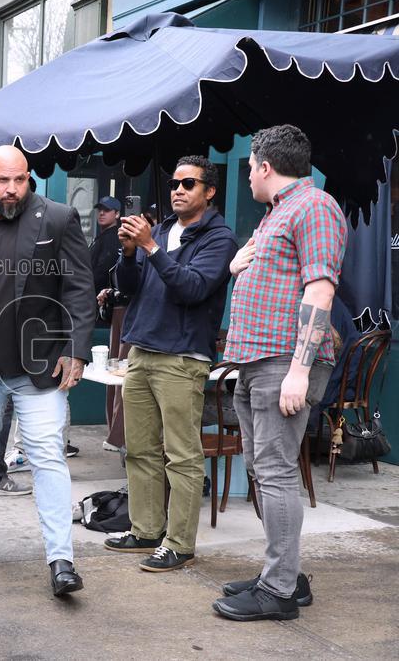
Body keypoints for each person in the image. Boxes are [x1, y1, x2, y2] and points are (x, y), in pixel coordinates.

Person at [213, 124, 346, 622]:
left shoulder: (314, 207)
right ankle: (285, 572)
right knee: (261, 472)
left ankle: (279, 591)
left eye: (249, 165)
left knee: (275, 473)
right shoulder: (277, 214)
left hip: (281, 364)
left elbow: (320, 292)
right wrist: (234, 268)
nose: (246, 174)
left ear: (265, 166)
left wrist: (298, 371)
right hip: (255, 363)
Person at [0, 145, 95, 597]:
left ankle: (61, 559)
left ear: (28, 176)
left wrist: (76, 349)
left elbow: (78, 286)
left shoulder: (56, 218)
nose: (12, 189)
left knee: (47, 454)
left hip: (40, 364)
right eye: (2, 181)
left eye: (20, 180)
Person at [102, 156, 238, 572]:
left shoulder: (219, 239)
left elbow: (193, 289)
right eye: (175, 183)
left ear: (209, 192)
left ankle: (179, 542)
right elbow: (127, 290)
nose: (178, 189)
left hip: (183, 358)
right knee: (139, 449)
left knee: (181, 456)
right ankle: (145, 530)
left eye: (188, 183)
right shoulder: (159, 230)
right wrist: (127, 255)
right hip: (141, 351)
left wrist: (149, 248)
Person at [89, 195, 123, 305]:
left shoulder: (113, 238)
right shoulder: (102, 237)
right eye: (100, 209)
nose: (102, 213)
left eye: (107, 210)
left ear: (117, 214)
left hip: (104, 300)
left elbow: (103, 272)